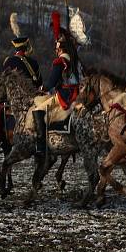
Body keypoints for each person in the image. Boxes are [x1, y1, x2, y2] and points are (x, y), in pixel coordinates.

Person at [30, 17, 83, 159]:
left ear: (60, 47)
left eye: (56, 46)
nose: (55, 49)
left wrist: (42, 87)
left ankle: (41, 146)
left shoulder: (60, 60)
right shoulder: (75, 58)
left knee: (38, 110)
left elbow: (51, 83)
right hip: (78, 92)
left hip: (65, 94)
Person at [1, 12, 42, 88]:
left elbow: (3, 83)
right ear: (26, 48)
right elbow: (39, 83)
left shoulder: (8, 61)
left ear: (16, 47)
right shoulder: (33, 63)